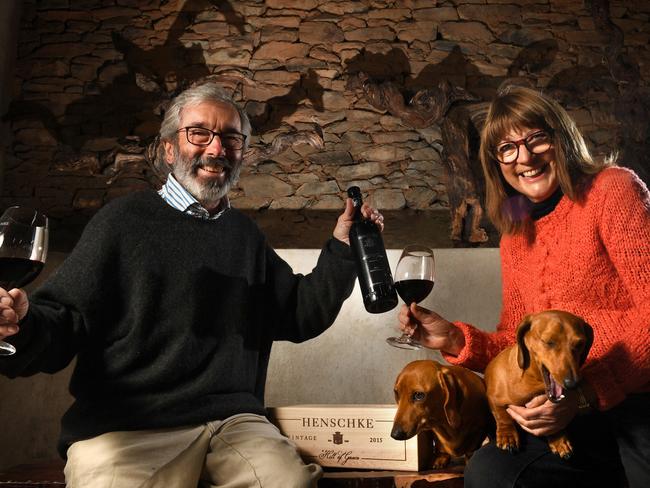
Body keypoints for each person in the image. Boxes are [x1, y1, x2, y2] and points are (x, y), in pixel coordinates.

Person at [0, 82, 385, 488]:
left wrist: (343, 247)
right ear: (169, 148)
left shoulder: (243, 234)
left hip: (234, 424)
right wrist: (20, 325)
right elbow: (63, 321)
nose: (216, 149)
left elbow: (298, 313)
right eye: (199, 133)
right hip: (128, 427)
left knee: (289, 481)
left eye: (231, 138)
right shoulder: (122, 223)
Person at [398, 85, 650, 488]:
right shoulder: (515, 233)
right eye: (507, 149)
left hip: (634, 400)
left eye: (536, 139)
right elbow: (516, 345)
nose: (525, 157)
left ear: (562, 138)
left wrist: (583, 394)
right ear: (497, 163)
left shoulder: (612, 189)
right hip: (561, 413)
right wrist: (454, 340)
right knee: (489, 472)